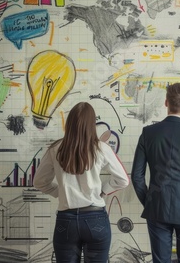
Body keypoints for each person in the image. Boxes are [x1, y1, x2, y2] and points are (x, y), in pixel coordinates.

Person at [34, 102, 129, 262]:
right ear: (92, 124)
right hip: (95, 219)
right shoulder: (101, 148)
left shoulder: (55, 148)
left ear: (69, 123)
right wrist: (103, 190)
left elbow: (39, 182)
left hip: (66, 221)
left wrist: (61, 193)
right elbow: (123, 180)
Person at [131, 83, 180, 263]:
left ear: (166, 102)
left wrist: (150, 202)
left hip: (157, 206)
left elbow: (137, 177)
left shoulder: (148, 133)